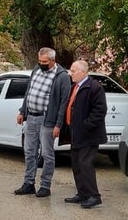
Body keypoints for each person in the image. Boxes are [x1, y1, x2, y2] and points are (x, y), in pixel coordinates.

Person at [14, 47, 71, 197]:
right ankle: (28, 183)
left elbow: (63, 103)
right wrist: (22, 111)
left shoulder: (62, 76)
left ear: (53, 61)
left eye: (44, 62)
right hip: (31, 117)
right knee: (29, 152)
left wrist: (58, 124)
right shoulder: (36, 70)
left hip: (47, 119)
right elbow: (29, 92)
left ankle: (45, 186)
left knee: (47, 154)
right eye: (39, 61)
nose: (41, 64)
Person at [62, 60, 107, 209]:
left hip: (88, 134)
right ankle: (82, 193)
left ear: (82, 72)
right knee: (76, 164)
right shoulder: (75, 87)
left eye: (73, 71)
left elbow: (100, 110)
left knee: (85, 164)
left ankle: (94, 195)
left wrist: (86, 125)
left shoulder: (94, 87)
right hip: (76, 133)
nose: (70, 73)